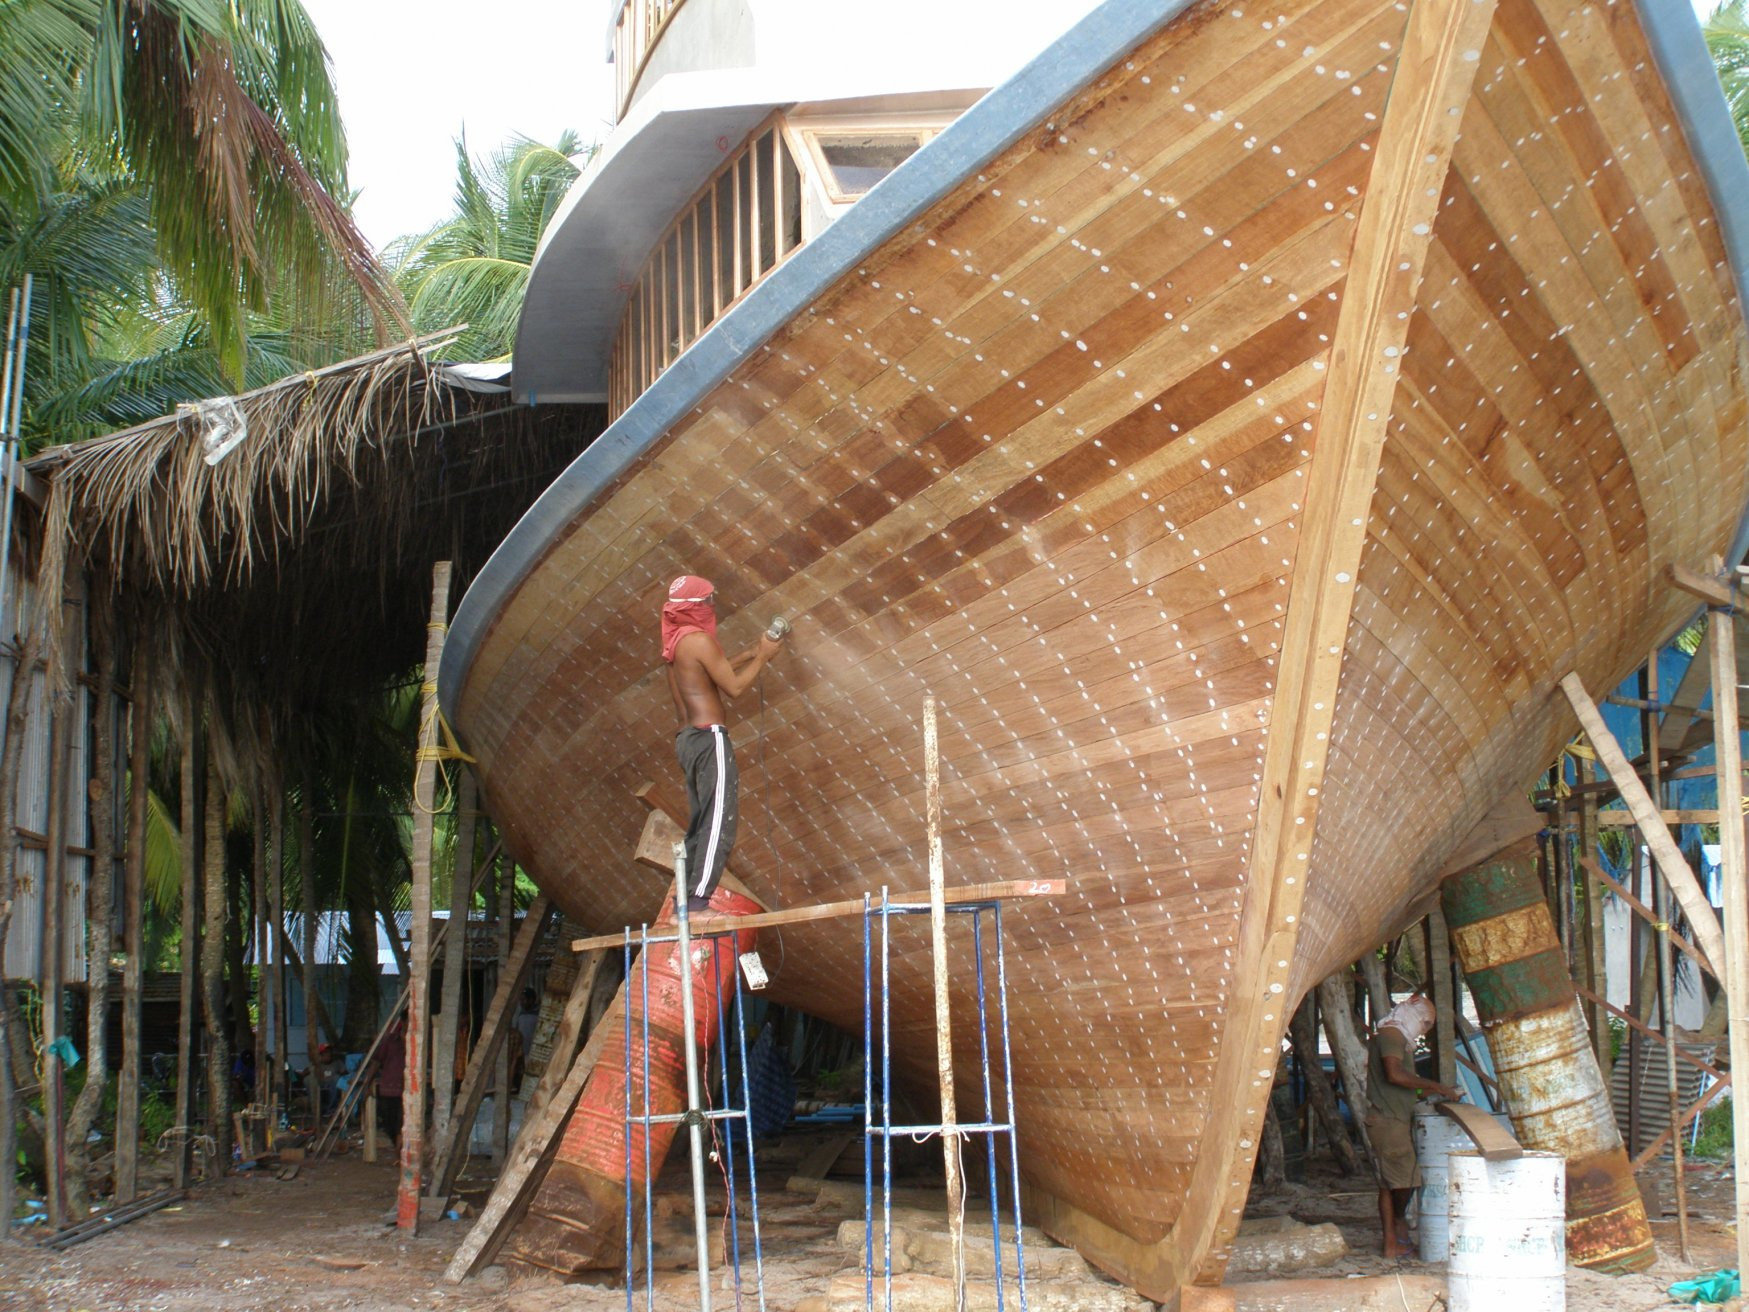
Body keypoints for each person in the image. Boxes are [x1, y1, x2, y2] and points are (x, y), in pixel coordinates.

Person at [661, 574, 784, 909]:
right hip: (708, 737)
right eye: (709, 601)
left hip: (687, 740)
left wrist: (750, 652)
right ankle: (698, 902)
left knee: (701, 824)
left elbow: (708, 673)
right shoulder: (699, 640)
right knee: (719, 823)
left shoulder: (675, 643)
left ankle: (683, 899)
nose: (712, 607)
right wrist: (765, 657)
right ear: (696, 606)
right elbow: (734, 688)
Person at [1364, 993, 1463, 1258]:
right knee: (1406, 1181)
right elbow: (1394, 1075)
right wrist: (1434, 1085)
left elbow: (1402, 1086)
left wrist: (1428, 1093)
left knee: (1389, 1184)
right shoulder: (1392, 1036)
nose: (1425, 1028)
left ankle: (1391, 1244)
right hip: (1390, 1121)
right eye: (1426, 1023)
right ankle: (1398, 1226)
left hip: (1389, 1118)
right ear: (1414, 1017)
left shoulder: (1393, 1036)